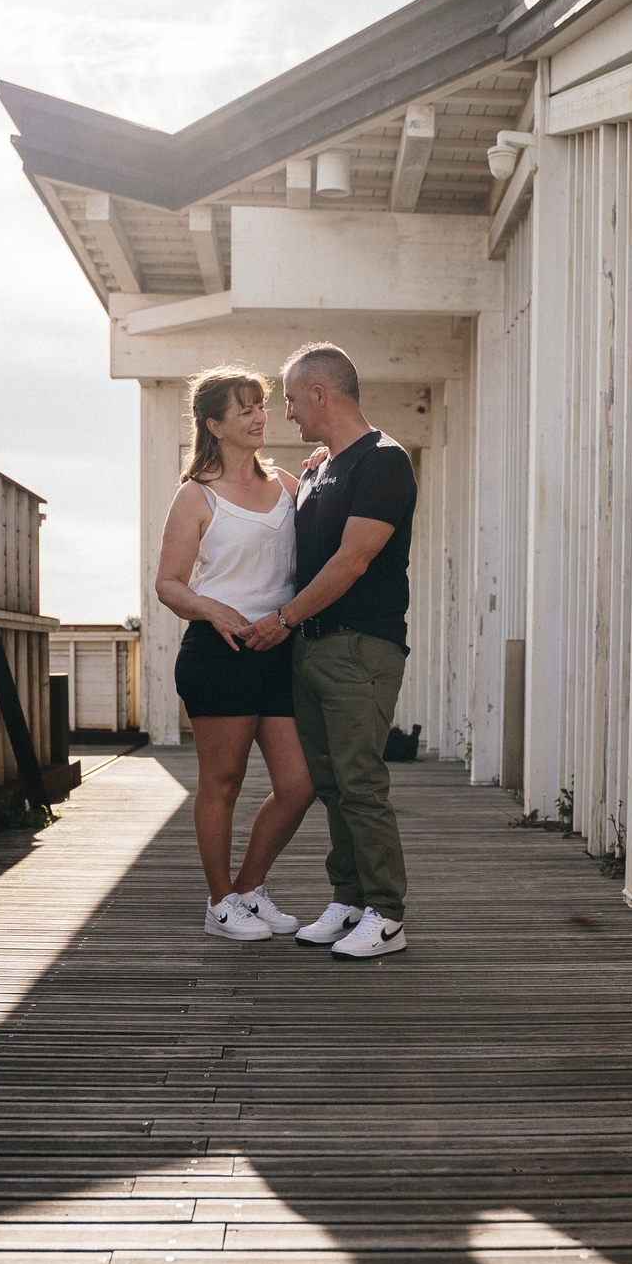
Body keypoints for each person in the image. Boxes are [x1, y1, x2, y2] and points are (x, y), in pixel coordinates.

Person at [242, 342, 418, 961]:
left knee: (361, 780)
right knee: (331, 782)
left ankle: (387, 915)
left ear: (320, 394)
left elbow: (354, 559)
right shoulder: (323, 467)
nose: (286, 413)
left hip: (359, 649)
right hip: (311, 651)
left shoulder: (385, 461)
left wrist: (283, 618)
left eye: (291, 399)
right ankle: (349, 900)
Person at [154, 366, 314, 942]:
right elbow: (169, 584)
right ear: (214, 424)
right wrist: (211, 608)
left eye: (262, 406)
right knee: (221, 781)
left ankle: (249, 887)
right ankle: (220, 902)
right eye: (244, 409)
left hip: (278, 649)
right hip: (218, 652)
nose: (258, 418)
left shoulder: (292, 486)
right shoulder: (195, 496)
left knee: (300, 783)